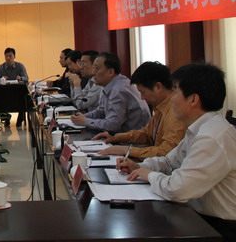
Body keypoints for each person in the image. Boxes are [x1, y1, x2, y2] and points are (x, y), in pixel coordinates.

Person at [119, 63, 236, 239]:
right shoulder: (199, 128)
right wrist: (140, 167)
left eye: (176, 92)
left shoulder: (211, 137)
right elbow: (169, 161)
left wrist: (149, 175)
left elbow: (177, 189)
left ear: (193, 99)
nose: (172, 98)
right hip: (197, 215)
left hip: (219, 228)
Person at [94, 61, 186, 160]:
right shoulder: (161, 107)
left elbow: (166, 152)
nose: (142, 97)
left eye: (143, 92)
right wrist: (116, 137)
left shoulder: (175, 111)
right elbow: (147, 134)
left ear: (158, 87)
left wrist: (127, 150)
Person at [71, 52, 150, 133]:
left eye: (96, 68)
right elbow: (101, 111)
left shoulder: (119, 89)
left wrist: (85, 121)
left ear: (111, 72)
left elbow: (112, 125)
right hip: (119, 135)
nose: (93, 72)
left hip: (130, 138)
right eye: (93, 68)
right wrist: (83, 116)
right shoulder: (109, 85)